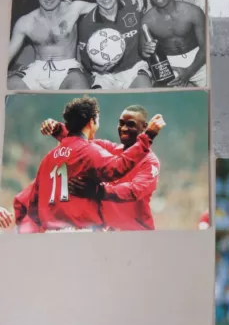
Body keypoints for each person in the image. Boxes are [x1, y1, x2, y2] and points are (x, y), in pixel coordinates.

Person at [24, 96, 165, 232]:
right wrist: (57, 128)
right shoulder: (107, 148)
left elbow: (134, 190)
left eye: (130, 124)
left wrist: (100, 191)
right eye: (121, 123)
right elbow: (78, 145)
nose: (123, 128)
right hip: (107, 234)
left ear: (144, 127)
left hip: (135, 233)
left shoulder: (150, 161)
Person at [8, 0, 94, 90]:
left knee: (78, 83)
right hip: (38, 69)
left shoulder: (74, 8)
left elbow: (105, 5)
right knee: (11, 84)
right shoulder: (25, 21)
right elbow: (7, 56)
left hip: (68, 69)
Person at [78, 0, 152, 89]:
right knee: (96, 104)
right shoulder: (86, 24)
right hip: (105, 75)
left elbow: (147, 33)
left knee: (145, 90)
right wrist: (95, 66)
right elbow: (85, 58)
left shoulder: (133, 6)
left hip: (134, 68)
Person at [140, 0, 207, 87]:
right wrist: (145, 51)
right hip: (169, 63)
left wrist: (189, 71)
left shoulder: (193, 12)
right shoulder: (147, 20)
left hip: (197, 59)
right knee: (168, 100)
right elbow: (142, 50)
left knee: (212, 92)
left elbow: (205, 48)